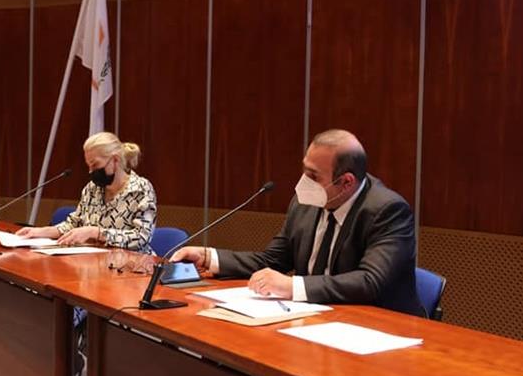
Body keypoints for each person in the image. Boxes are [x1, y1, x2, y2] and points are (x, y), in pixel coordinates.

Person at [173, 129, 423, 316]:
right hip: (316, 320)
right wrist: (208, 257)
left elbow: (370, 281)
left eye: (313, 176)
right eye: (304, 170)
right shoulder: (306, 202)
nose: (304, 182)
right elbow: (273, 260)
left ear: (346, 182)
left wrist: (293, 286)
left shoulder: (387, 210)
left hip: (379, 327)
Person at [17, 132, 157, 255]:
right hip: (93, 262)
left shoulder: (141, 189)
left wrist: (96, 232)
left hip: (132, 267)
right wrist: (40, 232)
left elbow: (141, 237)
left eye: (95, 165)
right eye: (89, 166)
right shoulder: (92, 188)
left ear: (115, 160)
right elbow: (74, 224)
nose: (91, 171)